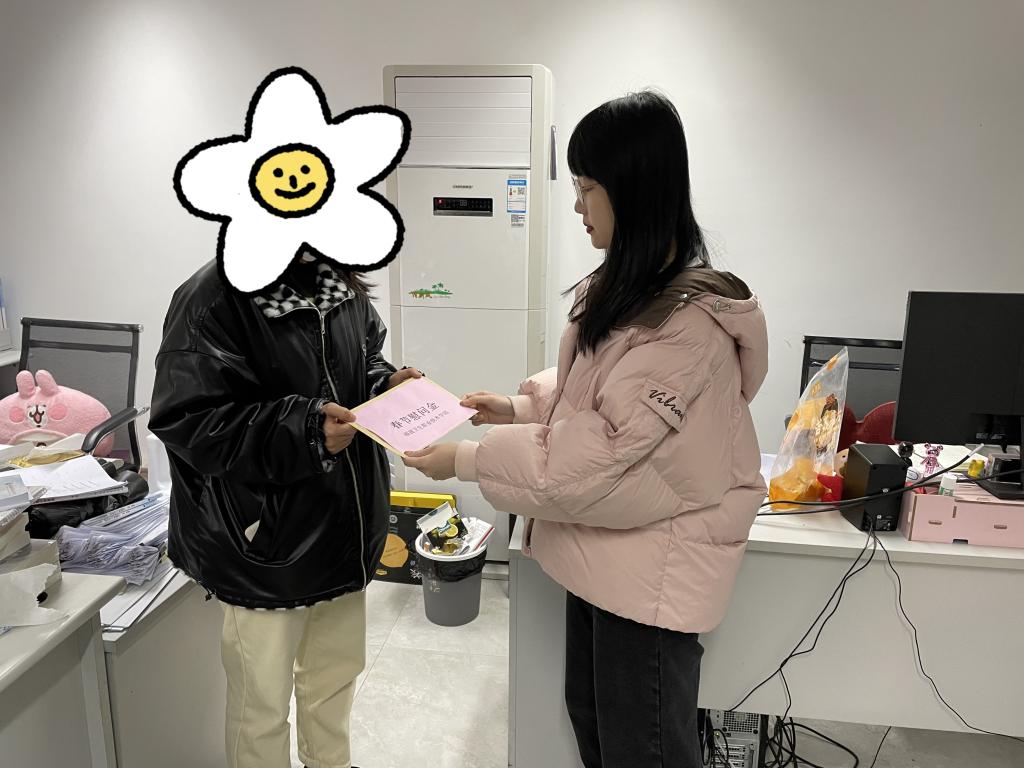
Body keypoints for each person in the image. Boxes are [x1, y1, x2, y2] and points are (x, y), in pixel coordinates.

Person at [404, 91, 769, 768]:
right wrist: (518, 408)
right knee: (597, 725)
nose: (577, 207)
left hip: (651, 579)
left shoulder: (686, 325)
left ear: (632, 190)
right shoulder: (637, 289)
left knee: (641, 750)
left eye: (586, 188)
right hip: (613, 560)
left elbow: (597, 455)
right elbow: (603, 397)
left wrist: (464, 460)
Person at [150, 252, 419, 768]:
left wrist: (384, 385)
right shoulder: (213, 297)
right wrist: (304, 430)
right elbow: (189, 420)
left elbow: (361, 360)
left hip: (342, 529)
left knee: (332, 685)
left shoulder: (334, 280)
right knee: (261, 708)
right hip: (263, 546)